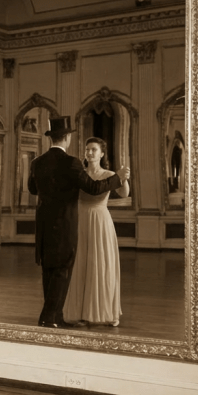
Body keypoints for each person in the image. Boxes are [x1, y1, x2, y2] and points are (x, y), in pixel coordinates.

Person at [27, 116, 129, 329]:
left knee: (49, 271)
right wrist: (118, 177)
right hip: (66, 225)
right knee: (62, 272)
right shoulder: (71, 163)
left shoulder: (37, 162)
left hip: (45, 227)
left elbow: (33, 190)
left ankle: (55, 316)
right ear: (66, 138)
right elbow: (93, 188)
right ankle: (48, 317)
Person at [63, 137, 130, 326]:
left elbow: (125, 194)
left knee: (101, 264)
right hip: (80, 220)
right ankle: (81, 313)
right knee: (81, 265)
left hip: (101, 221)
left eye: (93, 149)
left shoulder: (109, 174)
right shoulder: (80, 174)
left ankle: (107, 313)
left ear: (101, 153)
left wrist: (123, 178)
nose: (90, 153)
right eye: (87, 149)